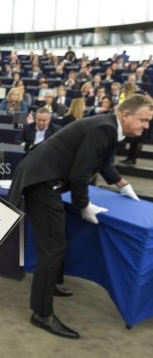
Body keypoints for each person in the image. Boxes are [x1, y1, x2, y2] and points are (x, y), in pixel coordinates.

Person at [8, 94, 153, 340]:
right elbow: (80, 173)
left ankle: (50, 284)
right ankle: (41, 313)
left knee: (59, 238)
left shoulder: (109, 126)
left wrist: (123, 185)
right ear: (126, 115)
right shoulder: (105, 128)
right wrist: (83, 206)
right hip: (42, 181)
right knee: (53, 248)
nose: (146, 126)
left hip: (47, 178)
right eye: (144, 120)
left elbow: (104, 164)